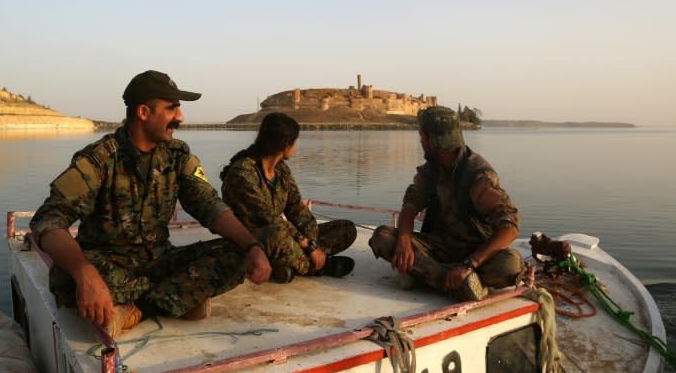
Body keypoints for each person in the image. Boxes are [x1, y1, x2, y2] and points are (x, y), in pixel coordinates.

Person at [29, 70, 271, 338]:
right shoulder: (99, 159)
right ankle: (179, 297)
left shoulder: (178, 155)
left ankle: (137, 309)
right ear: (143, 112)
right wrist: (84, 273)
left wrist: (252, 246)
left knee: (236, 253)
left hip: (158, 260)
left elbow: (209, 205)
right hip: (109, 264)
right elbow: (48, 219)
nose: (180, 117)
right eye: (171, 109)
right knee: (66, 275)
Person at [368, 106, 523, 301]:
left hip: (473, 250)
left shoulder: (477, 177)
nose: (421, 142)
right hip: (438, 245)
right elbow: (410, 206)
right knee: (383, 237)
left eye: (422, 137)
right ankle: (457, 284)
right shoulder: (432, 169)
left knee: (510, 265)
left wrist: (469, 264)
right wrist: (404, 242)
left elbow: (510, 227)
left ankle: (428, 275)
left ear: (432, 141)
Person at [220, 112, 357, 283]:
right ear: (286, 144)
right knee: (276, 236)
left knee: (346, 228)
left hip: (282, 235)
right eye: (295, 141)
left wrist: (311, 242)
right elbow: (269, 220)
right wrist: (307, 245)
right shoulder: (242, 175)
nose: (296, 146)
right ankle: (322, 265)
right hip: (252, 241)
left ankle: (289, 265)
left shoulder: (281, 170)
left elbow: (297, 208)